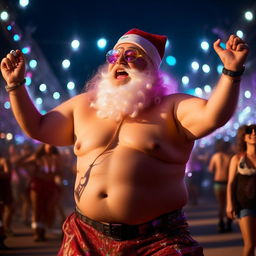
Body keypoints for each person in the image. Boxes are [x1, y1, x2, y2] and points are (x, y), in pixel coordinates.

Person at [0, 28, 248, 255]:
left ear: (151, 68)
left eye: (131, 56)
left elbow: (213, 115)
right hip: (85, 237)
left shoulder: (173, 108)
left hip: (157, 240)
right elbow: (38, 127)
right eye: (114, 56)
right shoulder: (83, 106)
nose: (119, 61)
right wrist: (15, 85)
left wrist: (231, 73)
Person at [226, 125, 256, 256]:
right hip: (245, 204)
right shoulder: (237, 158)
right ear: (243, 137)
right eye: (249, 131)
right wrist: (229, 204)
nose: (254, 133)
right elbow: (231, 183)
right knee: (250, 245)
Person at [208, 139, 233, 233]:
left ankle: (220, 224)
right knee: (228, 204)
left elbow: (210, 169)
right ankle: (229, 224)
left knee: (221, 205)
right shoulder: (230, 157)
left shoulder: (215, 156)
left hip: (217, 183)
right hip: (227, 183)